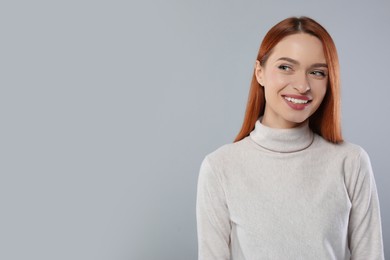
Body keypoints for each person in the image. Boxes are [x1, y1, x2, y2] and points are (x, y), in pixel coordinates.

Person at [196, 16, 384, 260]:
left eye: (317, 72)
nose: (302, 85)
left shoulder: (351, 162)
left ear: (329, 82)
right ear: (259, 72)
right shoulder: (220, 167)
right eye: (285, 67)